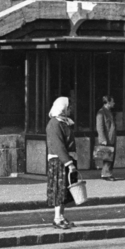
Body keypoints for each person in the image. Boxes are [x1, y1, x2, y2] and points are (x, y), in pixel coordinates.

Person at [45, 96, 78, 229]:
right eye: (68, 107)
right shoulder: (54, 124)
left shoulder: (64, 122)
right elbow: (59, 146)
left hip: (65, 160)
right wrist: (68, 163)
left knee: (65, 190)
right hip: (59, 161)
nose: (70, 109)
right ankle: (57, 218)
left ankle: (61, 216)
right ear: (62, 108)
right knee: (60, 190)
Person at [95, 96, 117, 181]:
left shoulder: (109, 112)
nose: (113, 103)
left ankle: (108, 173)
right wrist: (103, 139)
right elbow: (99, 127)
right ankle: (105, 174)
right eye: (112, 102)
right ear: (107, 102)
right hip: (107, 139)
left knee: (111, 157)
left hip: (112, 138)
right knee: (107, 157)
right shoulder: (101, 112)